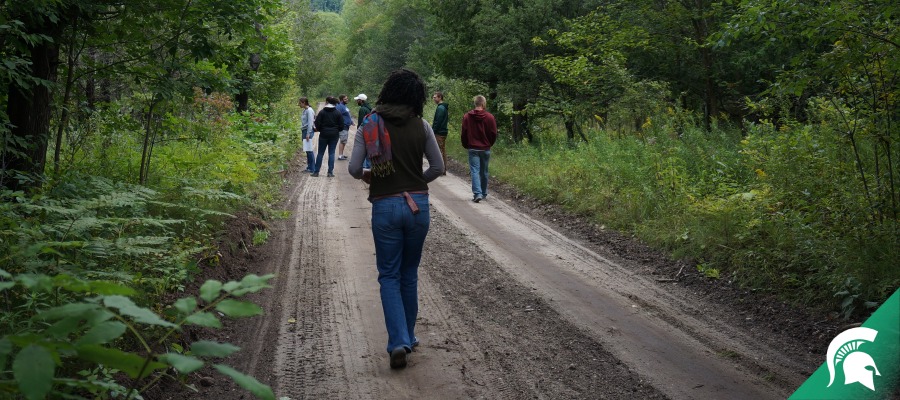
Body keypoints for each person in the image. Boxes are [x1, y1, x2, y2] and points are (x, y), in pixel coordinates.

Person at [348, 69, 443, 369]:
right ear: (417, 97)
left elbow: (352, 169)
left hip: (385, 207)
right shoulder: (423, 125)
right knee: (409, 273)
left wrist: (371, 176)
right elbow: (437, 167)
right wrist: (417, 179)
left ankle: (398, 341)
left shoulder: (369, 124)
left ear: (388, 92)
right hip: (418, 205)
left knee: (388, 275)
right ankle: (410, 337)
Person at [460, 95, 497, 202]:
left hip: (473, 148)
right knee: (484, 171)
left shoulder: (467, 116)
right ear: (483, 104)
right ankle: (484, 193)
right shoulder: (490, 117)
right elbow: (494, 133)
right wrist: (489, 143)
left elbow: (464, 133)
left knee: (475, 171)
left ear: (475, 103)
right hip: (485, 148)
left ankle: (477, 193)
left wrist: (466, 144)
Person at [313, 96, 343, 177]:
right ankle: (330, 172)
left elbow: (316, 123)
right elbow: (341, 126)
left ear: (327, 102)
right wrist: (336, 130)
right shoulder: (338, 113)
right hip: (334, 135)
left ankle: (316, 172)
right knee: (332, 153)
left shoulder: (322, 112)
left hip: (324, 134)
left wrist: (320, 129)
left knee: (320, 153)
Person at [431, 92, 449, 175]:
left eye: (435, 97)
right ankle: (443, 169)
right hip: (441, 132)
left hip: (439, 133)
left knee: (440, 151)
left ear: (440, 97)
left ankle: (442, 170)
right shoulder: (441, 107)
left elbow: (438, 122)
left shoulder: (441, 108)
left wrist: (433, 131)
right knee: (442, 150)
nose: (433, 99)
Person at [299, 97, 316, 173]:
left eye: (300, 103)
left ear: (303, 102)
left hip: (307, 131)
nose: (299, 104)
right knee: (307, 149)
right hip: (304, 130)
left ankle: (312, 168)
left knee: (309, 150)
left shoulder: (309, 111)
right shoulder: (305, 110)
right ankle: (310, 167)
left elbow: (310, 123)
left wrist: (308, 134)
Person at [336, 94, 354, 160]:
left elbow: (347, 115)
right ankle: (340, 156)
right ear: (341, 100)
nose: (347, 100)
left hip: (346, 126)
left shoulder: (344, 106)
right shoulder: (339, 106)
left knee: (344, 141)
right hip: (343, 126)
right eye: (345, 99)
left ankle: (342, 154)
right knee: (342, 140)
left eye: (347, 98)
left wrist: (351, 121)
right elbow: (337, 115)